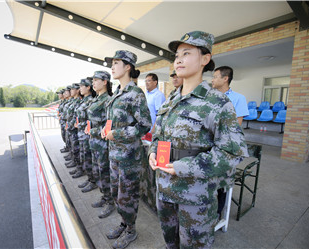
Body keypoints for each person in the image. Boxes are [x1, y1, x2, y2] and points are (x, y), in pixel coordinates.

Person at [148, 31, 248, 248]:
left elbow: (233, 152)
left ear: (205, 59)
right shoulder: (170, 101)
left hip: (195, 197)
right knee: (170, 242)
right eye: (176, 56)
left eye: (186, 53)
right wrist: (152, 152)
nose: (179, 59)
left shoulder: (217, 103)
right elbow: (158, 135)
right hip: (165, 188)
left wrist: (186, 167)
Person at [101, 50, 152, 249]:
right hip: (115, 154)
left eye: (116, 63)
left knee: (127, 196)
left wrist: (118, 134)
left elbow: (145, 125)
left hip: (129, 156)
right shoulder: (118, 94)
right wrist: (108, 132)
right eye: (111, 64)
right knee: (116, 193)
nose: (112, 67)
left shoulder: (135, 94)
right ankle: (124, 223)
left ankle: (131, 230)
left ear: (128, 66)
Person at [211, 66, 250, 219]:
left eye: (215, 77)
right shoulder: (209, 97)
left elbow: (236, 126)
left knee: (221, 184)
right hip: (208, 145)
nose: (212, 80)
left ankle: (217, 214)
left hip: (225, 148)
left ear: (225, 78)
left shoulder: (238, 98)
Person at [85, 71, 115, 219]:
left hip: (103, 144)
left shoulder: (108, 100)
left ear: (105, 82)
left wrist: (93, 130)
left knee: (105, 174)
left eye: (96, 80)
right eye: (93, 80)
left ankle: (110, 202)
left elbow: (109, 125)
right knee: (98, 172)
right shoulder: (96, 99)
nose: (93, 83)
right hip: (94, 143)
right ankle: (104, 196)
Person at [72, 79, 97, 194]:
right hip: (81, 133)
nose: (80, 88)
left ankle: (92, 181)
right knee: (84, 158)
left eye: (82, 86)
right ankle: (89, 179)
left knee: (88, 159)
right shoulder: (83, 101)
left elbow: (90, 120)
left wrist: (80, 124)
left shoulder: (91, 101)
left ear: (88, 87)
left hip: (87, 134)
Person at [65, 83, 82, 170]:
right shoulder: (73, 101)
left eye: (72, 89)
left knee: (76, 149)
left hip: (75, 129)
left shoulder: (79, 101)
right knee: (72, 146)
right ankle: (74, 161)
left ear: (77, 90)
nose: (70, 91)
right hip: (71, 127)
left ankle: (78, 166)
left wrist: (71, 125)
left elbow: (77, 116)